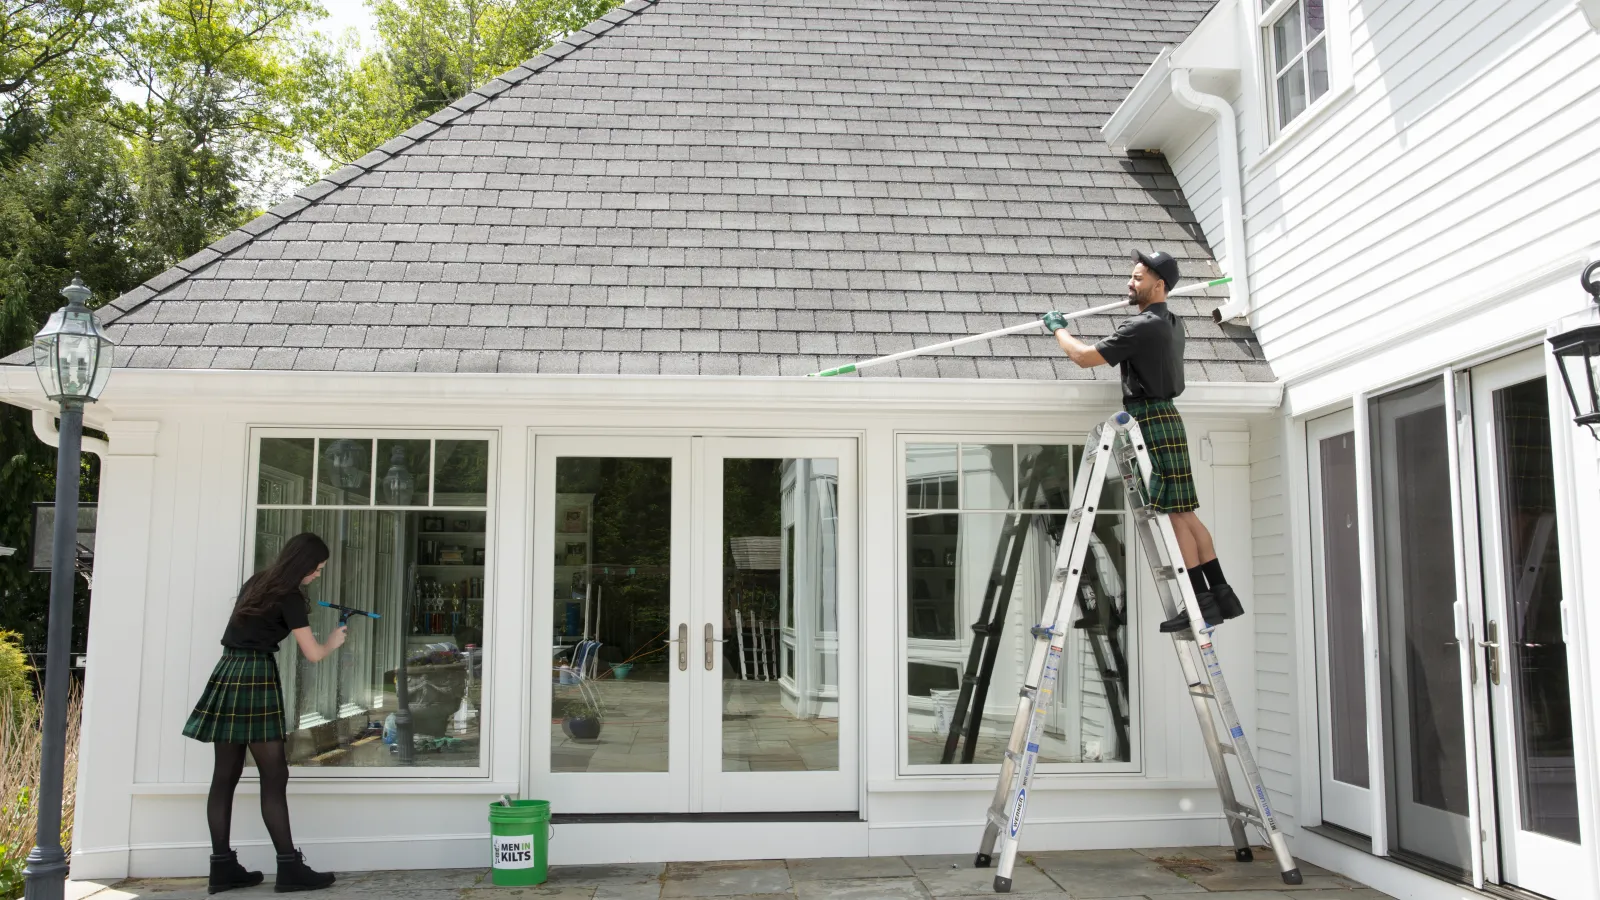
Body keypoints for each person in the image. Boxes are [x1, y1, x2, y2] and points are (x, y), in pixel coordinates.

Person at [1042, 250, 1245, 632]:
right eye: (1132, 277)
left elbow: (1084, 358)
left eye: (1138, 278)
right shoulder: (1171, 322)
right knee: (1185, 512)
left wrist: (1058, 328)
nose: (1130, 284)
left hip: (1151, 418)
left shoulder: (1143, 326)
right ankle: (1220, 595)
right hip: (1168, 416)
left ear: (1159, 284)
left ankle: (1197, 604)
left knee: (1172, 515)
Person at [182, 533, 345, 893]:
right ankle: (289, 868)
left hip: (228, 671)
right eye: (317, 568)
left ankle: (221, 867)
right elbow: (313, 654)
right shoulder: (290, 597)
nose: (318, 574)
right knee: (275, 776)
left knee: (224, 774)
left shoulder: (257, 583)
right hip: (255, 676)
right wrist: (332, 641)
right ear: (303, 565)